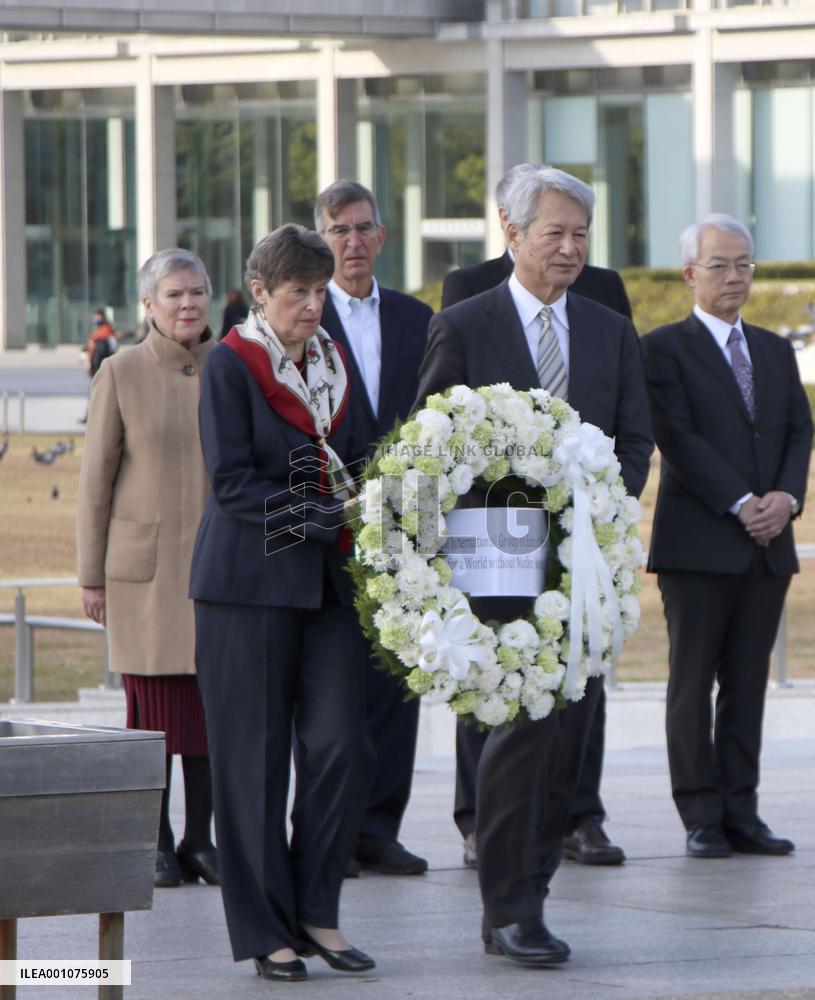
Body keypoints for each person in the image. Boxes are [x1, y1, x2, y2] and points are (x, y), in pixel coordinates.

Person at [415, 166, 653, 966]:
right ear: (511, 232)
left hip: (584, 567)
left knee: (565, 742)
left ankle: (532, 892)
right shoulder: (465, 324)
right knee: (517, 732)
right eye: (554, 232)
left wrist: (600, 504)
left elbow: (634, 437)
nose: (570, 247)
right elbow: (431, 441)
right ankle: (509, 904)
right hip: (495, 563)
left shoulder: (607, 328)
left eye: (580, 234)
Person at [190, 224, 375, 983]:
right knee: (254, 763)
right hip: (246, 587)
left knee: (340, 746)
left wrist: (391, 501)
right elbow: (232, 484)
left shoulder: (332, 359)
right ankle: (267, 929)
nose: (313, 305)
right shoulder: (230, 364)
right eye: (298, 291)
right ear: (261, 292)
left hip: (329, 586)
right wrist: (325, 516)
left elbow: (363, 453)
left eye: (321, 291)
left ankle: (316, 909)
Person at [640, 214, 812, 859]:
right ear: (690, 274)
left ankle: (743, 812)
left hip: (768, 546)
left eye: (744, 264)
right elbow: (677, 437)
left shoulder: (773, 349)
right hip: (698, 543)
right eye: (720, 265)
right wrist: (741, 503)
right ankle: (701, 816)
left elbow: (798, 430)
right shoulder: (662, 348)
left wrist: (786, 498)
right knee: (692, 685)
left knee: (747, 684)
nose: (735, 276)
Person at [77, 249, 219, 889]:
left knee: (213, 713)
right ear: (148, 306)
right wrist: (91, 576)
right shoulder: (120, 371)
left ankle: (201, 841)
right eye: (174, 294)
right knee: (154, 717)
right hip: (146, 576)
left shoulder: (232, 366)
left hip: (217, 573)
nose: (188, 304)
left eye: (197, 291)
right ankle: (156, 842)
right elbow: (94, 483)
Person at [315, 180, 432, 877]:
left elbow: (435, 409)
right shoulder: (303, 316)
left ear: (382, 237)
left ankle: (379, 829)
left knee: (395, 679)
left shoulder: (419, 318)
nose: (353, 242)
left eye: (363, 228)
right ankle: (332, 831)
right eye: (339, 230)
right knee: (334, 690)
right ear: (321, 240)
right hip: (329, 523)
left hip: (406, 522)